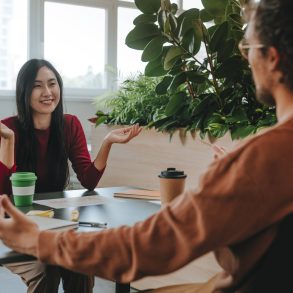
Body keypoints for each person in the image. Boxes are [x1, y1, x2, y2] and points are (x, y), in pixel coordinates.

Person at [1, 0, 293, 291]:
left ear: (272, 58)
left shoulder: (264, 159)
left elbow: (154, 244)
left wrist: (40, 241)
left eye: (248, 49)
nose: (245, 59)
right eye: (38, 85)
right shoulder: (266, 159)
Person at [0, 58, 141, 293]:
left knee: (80, 264)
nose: (47, 92)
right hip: (16, 226)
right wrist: (9, 142)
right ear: (24, 92)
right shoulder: (7, 129)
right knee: (46, 270)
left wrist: (107, 142)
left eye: (52, 83)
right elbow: (4, 195)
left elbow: (87, 179)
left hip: (56, 225)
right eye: (37, 86)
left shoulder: (69, 125)